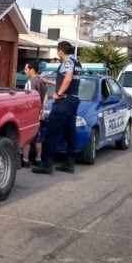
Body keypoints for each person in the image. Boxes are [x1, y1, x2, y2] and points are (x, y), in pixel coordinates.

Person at [32, 41, 82, 175]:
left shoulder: (67, 62)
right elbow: (66, 81)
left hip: (63, 102)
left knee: (50, 132)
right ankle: (69, 164)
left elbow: (68, 79)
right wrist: (48, 81)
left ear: (61, 51)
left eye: (57, 52)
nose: (57, 54)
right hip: (73, 100)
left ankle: (47, 165)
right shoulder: (77, 63)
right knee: (70, 133)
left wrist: (58, 94)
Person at [21, 59, 47, 168]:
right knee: (38, 137)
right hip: (39, 113)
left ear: (32, 69)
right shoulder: (41, 81)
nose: (25, 71)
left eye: (26, 69)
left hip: (31, 114)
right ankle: (38, 158)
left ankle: (25, 159)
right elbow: (45, 96)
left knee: (28, 136)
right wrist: (42, 110)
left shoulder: (30, 82)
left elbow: (28, 99)